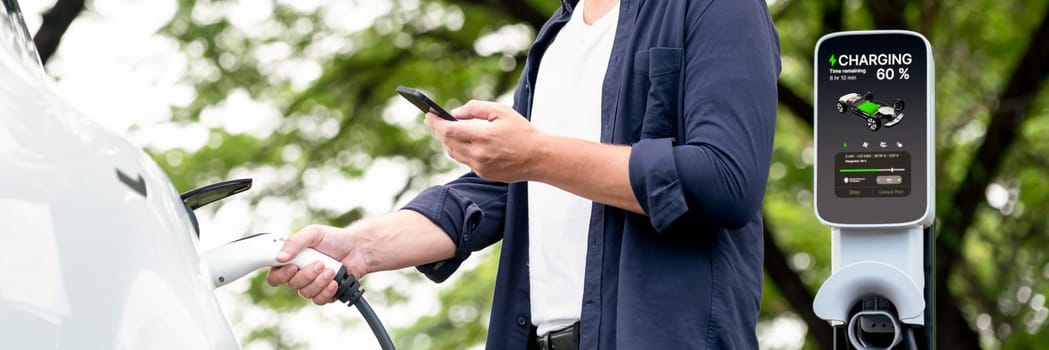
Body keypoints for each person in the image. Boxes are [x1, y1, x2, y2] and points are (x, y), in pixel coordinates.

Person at [267, 0, 780, 348]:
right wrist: (361, 248)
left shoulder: (718, 6)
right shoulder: (555, 35)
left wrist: (534, 154)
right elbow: (504, 189)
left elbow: (725, 179)